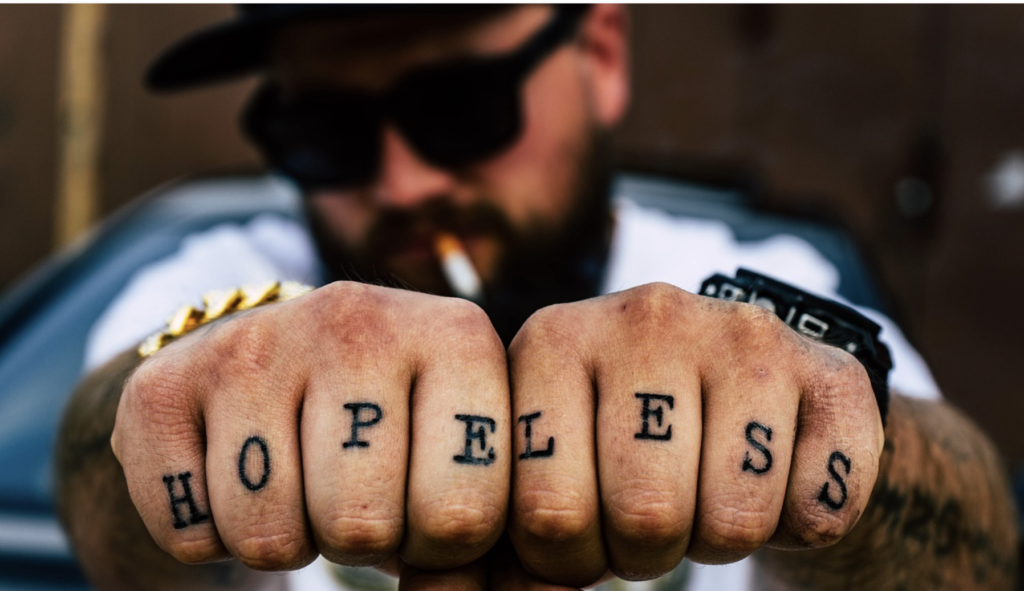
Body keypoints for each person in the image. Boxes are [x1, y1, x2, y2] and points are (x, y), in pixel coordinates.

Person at [55, 5, 1018, 591]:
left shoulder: (749, 284)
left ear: (598, 55)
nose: (403, 185)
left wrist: (804, 412)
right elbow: (106, 457)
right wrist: (217, 383)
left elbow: (968, 546)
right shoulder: (223, 268)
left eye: (460, 106)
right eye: (322, 129)